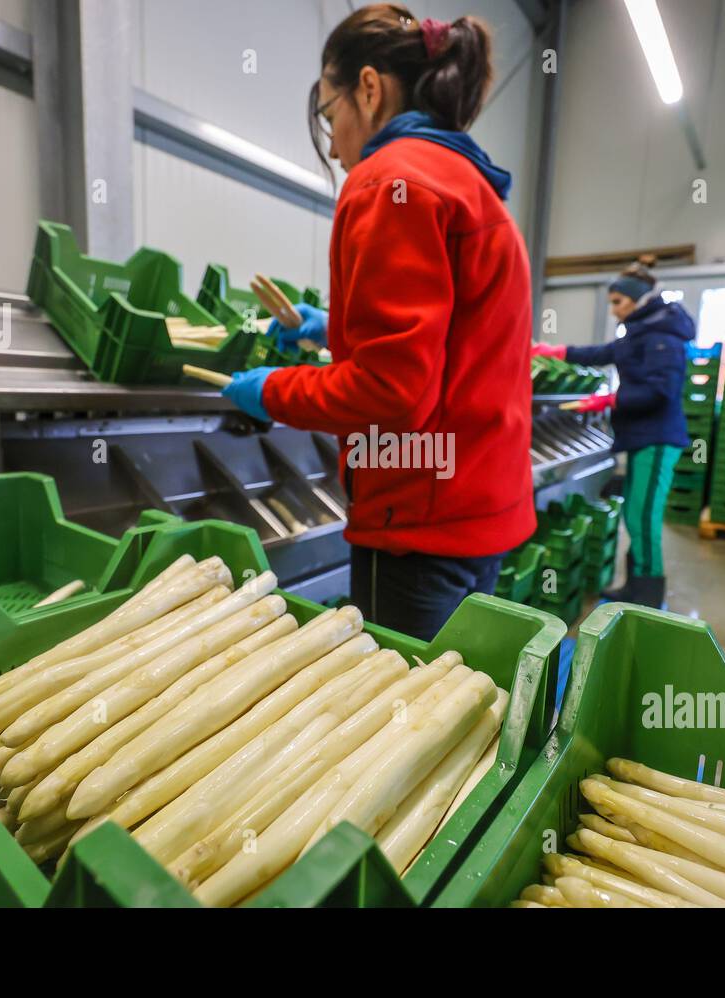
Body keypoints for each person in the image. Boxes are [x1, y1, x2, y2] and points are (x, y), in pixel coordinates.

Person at [221, 5, 535, 641]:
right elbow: (448, 345)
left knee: (404, 718)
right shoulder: (466, 181)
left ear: (369, 87)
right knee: (462, 715)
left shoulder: (389, 182)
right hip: (477, 514)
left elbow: (392, 392)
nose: (334, 146)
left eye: (330, 114)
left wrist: (272, 391)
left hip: (416, 531)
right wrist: (328, 328)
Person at [532, 263, 694, 608]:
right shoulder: (643, 329)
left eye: (618, 301)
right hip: (641, 439)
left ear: (635, 300)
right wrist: (558, 353)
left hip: (657, 439)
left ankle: (649, 599)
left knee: (643, 517)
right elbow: (605, 354)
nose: (614, 308)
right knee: (634, 515)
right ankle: (633, 589)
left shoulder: (662, 336)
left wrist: (608, 400)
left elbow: (661, 391)